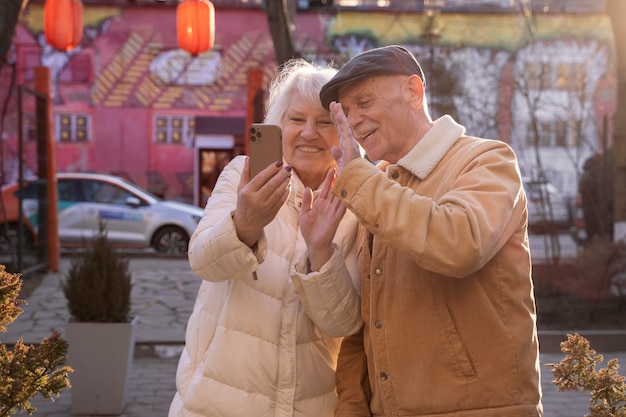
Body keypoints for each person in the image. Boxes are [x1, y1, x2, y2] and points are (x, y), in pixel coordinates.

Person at [319, 45, 543, 416]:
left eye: (364, 102)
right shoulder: (375, 183)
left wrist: (357, 175)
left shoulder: (487, 159)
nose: (355, 121)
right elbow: (365, 323)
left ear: (413, 91)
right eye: (347, 112)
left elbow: (458, 243)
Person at [168, 59, 362, 417]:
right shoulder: (242, 177)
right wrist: (245, 223)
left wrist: (320, 252)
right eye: (296, 119)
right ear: (278, 125)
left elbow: (344, 323)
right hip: (216, 402)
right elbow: (203, 261)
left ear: (344, 132)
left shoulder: (356, 204)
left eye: (324, 122)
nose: (308, 132)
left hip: (310, 405)